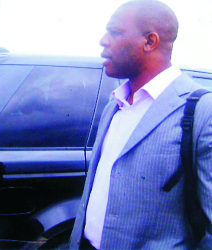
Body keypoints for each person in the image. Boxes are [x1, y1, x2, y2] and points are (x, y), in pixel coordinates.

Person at [69, 0, 212, 249]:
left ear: (149, 41)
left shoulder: (201, 110)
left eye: (114, 32)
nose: (103, 40)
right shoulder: (114, 105)